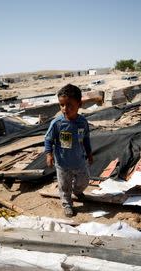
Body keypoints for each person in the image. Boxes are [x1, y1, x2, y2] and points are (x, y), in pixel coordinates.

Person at [44, 84, 93, 217]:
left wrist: (89, 154)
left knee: (84, 181)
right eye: (62, 105)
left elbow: (86, 139)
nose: (65, 109)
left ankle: (77, 191)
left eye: (70, 105)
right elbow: (48, 139)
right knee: (64, 187)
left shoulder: (83, 122)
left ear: (79, 104)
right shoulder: (57, 123)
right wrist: (49, 155)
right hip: (63, 164)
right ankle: (67, 204)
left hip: (79, 161)